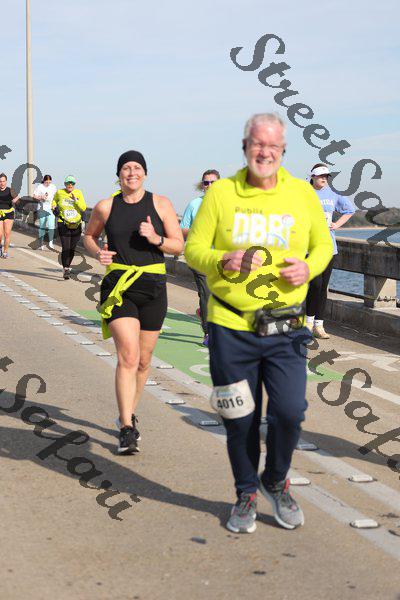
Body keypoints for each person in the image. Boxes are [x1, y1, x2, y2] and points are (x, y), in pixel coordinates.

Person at [185, 113, 333, 533]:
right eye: (257, 144)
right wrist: (221, 259)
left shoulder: (301, 194)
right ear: (245, 147)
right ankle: (246, 493)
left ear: (282, 151)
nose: (264, 152)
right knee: (239, 418)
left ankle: (276, 479)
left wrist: (308, 268)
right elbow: (193, 248)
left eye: (273, 145)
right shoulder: (221, 194)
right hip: (230, 327)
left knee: (289, 412)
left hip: (286, 327)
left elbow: (323, 246)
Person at [84, 151, 183, 454]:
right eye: (126, 168)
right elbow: (89, 236)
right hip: (119, 287)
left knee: (143, 361)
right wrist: (97, 252)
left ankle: (129, 413)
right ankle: (126, 428)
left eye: (137, 167)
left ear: (145, 173)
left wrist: (156, 238)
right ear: (119, 175)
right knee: (128, 355)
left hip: (154, 287)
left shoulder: (161, 204)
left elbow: (178, 245)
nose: (131, 172)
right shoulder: (106, 206)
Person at [305, 164, 355, 339]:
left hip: (328, 247)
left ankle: (319, 325)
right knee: (315, 284)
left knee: (323, 287)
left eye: (326, 176)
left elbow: (349, 210)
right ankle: (308, 323)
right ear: (312, 176)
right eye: (321, 176)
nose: (324, 179)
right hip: (308, 247)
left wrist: (336, 224)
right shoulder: (305, 193)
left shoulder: (333, 194)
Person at [180, 169, 220, 346]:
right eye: (206, 182)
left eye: (213, 182)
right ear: (202, 185)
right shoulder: (194, 204)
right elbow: (182, 230)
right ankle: (208, 332)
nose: (209, 185)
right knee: (206, 293)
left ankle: (205, 314)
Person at [52, 176, 86, 279]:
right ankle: (66, 269)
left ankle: (67, 266)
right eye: (68, 183)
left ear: (74, 184)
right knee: (66, 247)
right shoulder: (59, 192)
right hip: (63, 223)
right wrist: (53, 207)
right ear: (65, 184)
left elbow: (83, 207)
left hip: (76, 224)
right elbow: (54, 200)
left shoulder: (78, 193)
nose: (70, 185)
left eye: (72, 183)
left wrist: (76, 200)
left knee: (72, 249)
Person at [33, 174, 57, 250]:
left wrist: (54, 204)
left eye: (49, 182)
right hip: (41, 208)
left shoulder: (53, 187)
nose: (48, 183)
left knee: (51, 225)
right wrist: (40, 197)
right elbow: (34, 196)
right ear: (44, 181)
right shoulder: (40, 187)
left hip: (50, 209)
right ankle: (41, 243)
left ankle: (51, 242)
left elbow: (56, 197)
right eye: (46, 182)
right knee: (42, 226)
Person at [0, 173, 19, 258]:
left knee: (7, 234)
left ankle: (5, 252)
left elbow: (18, 201)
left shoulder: (11, 190)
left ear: (6, 181)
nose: (2, 183)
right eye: (0, 181)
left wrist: (16, 200)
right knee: (0, 235)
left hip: (9, 213)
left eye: (3, 181)